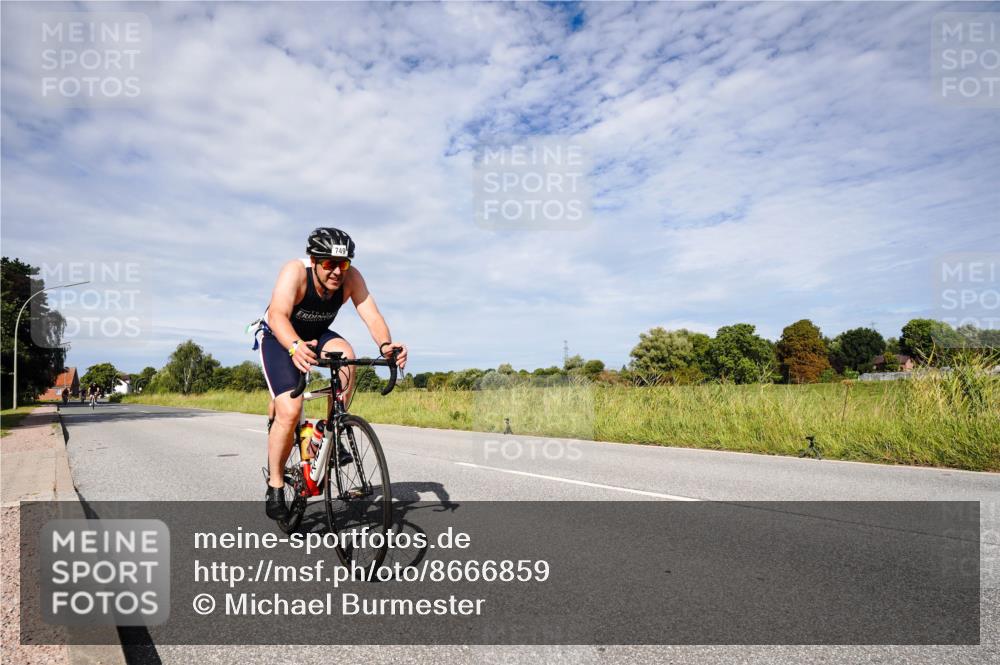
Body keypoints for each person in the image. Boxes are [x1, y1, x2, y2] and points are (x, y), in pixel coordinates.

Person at [257, 227, 407, 521]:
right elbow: (277, 315)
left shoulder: (351, 278)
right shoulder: (294, 272)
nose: (338, 271)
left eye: (344, 264)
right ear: (314, 261)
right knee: (290, 409)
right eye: (329, 264)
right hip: (279, 336)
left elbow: (371, 314)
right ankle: (275, 482)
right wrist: (295, 346)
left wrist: (386, 345)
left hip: (318, 334)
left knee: (347, 357)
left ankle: (331, 428)